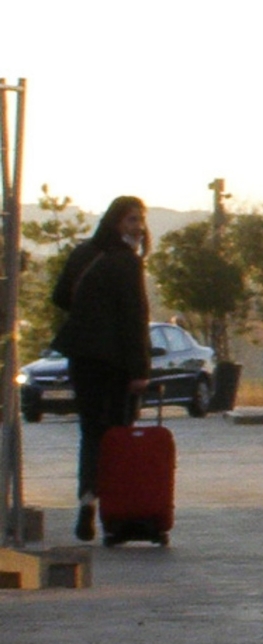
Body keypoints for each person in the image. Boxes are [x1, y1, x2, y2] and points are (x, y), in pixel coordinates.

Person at [52, 196, 153, 543]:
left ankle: (87, 500)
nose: (137, 227)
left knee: (91, 433)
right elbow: (135, 318)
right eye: (131, 220)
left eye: (140, 220)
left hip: (82, 358)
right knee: (118, 435)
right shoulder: (127, 262)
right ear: (116, 223)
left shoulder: (84, 254)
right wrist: (140, 371)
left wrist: (89, 310)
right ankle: (116, 515)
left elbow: (60, 296)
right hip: (116, 364)